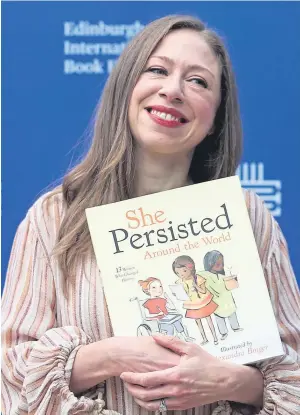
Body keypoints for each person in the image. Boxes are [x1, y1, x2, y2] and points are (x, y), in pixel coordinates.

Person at [2, 14, 300, 415]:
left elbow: (294, 372)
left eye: (198, 81)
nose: (173, 90)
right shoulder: (54, 218)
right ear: (127, 87)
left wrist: (226, 381)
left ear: (215, 118)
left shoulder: (248, 216)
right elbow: (9, 373)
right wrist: (113, 355)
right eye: (157, 70)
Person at [172, 255, 219, 345]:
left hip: (202, 302)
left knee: (208, 320)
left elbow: (204, 291)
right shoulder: (180, 281)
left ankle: (215, 337)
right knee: (198, 322)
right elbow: (183, 293)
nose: (181, 274)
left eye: (184, 271)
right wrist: (177, 293)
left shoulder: (198, 278)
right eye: (177, 273)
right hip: (192, 304)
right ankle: (204, 338)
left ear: (191, 268)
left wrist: (196, 286)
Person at [202, 250, 243, 340]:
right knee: (219, 316)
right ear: (210, 264)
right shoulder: (207, 276)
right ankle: (223, 332)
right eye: (218, 264)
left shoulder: (222, 275)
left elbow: (229, 285)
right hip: (217, 300)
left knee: (232, 312)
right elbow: (211, 288)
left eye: (222, 264)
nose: (221, 266)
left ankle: (235, 327)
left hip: (227, 299)